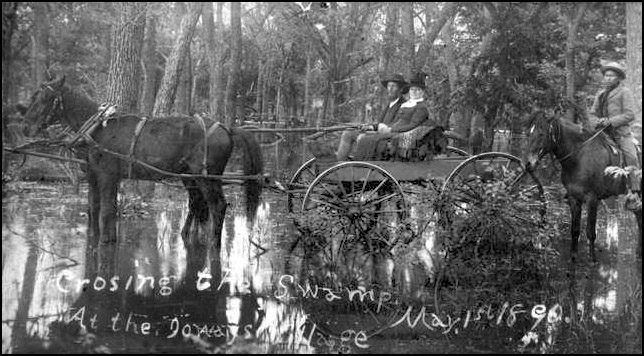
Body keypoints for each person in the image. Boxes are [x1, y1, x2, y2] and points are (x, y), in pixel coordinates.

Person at [353, 72, 437, 160]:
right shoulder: (406, 105)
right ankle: (362, 163)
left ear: (422, 92)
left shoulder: (421, 107)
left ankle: (363, 165)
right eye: (412, 89)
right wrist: (382, 127)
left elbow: (412, 126)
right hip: (396, 132)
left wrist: (391, 130)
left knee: (368, 140)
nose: (414, 92)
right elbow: (396, 122)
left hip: (404, 136)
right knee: (366, 138)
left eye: (418, 90)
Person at [335, 73, 407, 160]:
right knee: (347, 134)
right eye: (388, 86)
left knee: (362, 138)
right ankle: (338, 165)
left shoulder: (404, 105)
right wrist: (369, 126)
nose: (390, 89)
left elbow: (397, 126)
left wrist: (375, 129)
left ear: (400, 89)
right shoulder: (389, 104)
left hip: (389, 136)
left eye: (394, 86)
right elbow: (379, 123)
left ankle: (360, 163)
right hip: (379, 133)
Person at [591, 61, 640, 170]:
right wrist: (598, 121)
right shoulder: (600, 94)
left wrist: (610, 121)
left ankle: (634, 186)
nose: (608, 78)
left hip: (620, 133)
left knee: (631, 157)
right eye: (606, 75)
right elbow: (593, 113)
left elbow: (630, 114)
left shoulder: (624, 92)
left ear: (618, 78)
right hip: (601, 132)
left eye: (611, 76)